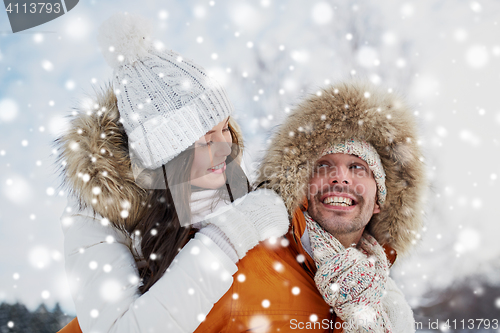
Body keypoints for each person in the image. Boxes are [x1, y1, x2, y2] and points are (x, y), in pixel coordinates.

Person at [56, 13, 289, 333]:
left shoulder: (219, 177)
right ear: (168, 153)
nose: (225, 146)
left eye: (225, 128)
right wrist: (228, 236)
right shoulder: (95, 220)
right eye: (206, 137)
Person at [194, 80, 425, 332]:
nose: (340, 177)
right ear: (302, 185)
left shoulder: (391, 306)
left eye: (357, 167)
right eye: (323, 166)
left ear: (380, 201)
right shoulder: (241, 266)